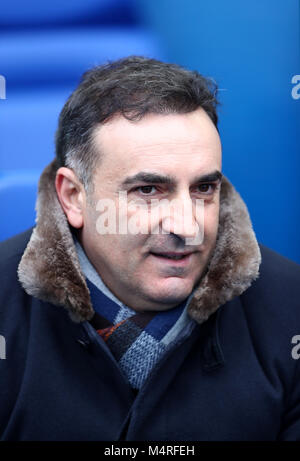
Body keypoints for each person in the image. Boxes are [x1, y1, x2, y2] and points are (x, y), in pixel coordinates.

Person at [0, 56, 300, 441]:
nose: (186, 226)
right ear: (73, 197)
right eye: (148, 191)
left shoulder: (291, 310)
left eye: (204, 189)